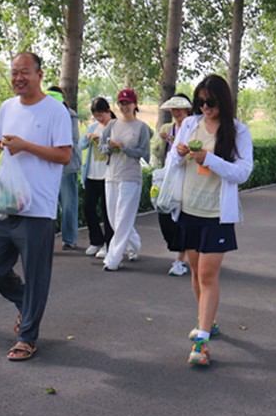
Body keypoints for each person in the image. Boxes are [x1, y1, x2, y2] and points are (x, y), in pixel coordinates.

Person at [0, 52, 72, 361]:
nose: (18, 78)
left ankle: (27, 337)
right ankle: (26, 303)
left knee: (36, 275)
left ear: (39, 75)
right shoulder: (7, 107)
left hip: (38, 209)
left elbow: (64, 156)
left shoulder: (55, 111)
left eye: (25, 72)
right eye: (14, 72)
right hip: (5, 203)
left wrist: (26, 146)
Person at [166, 75, 253, 367]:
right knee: (195, 271)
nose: (205, 107)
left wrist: (210, 159)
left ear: (223, 101)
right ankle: (208, 320)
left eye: (211, 102)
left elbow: (243, 172)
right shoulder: (190, 124)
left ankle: (201, 342)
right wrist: (179, 154)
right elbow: (172, 162)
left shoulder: (238, 131)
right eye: (200, 102)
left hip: (217, 214)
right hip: (190, 208)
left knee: (207, 274)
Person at [100, 88, 152, 271]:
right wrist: (110, 146)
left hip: (130, 176)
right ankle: (134, 244)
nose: (124, 107)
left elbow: (145, 153)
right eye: (121, 103)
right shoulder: (112, 125)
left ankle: (113, 259)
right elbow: (102, 148)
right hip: (111, 175)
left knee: (123, 219)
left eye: (127, 103)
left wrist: (125, 149)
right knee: (114, 219)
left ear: (135, 105)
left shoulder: (142, 127)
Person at [154, 93, 194, 276]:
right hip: (169, 175)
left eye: (180, 109)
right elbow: (156, 152)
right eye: (173, 109)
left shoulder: (194, 127)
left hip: (187, 176)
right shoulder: (168, 128)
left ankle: (180, 259)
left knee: (183, 217)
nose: (176, 112)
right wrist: (163, 140)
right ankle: (180, 249)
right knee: (165, 212)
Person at [47, 86, 82, 251]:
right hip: (49, 166)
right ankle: (46, 240)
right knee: (48, 205)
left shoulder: (69, 115)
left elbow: (71, 140)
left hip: (67, 166)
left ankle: (69, 239)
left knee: (68, 204)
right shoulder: (46, 114)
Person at [80, 97, 115, 257]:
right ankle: (96, 240)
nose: (99, 119)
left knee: (108, 212)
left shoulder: (115, 126)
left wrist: (103, 141)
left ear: (108, 111)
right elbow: (80, 145)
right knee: (88, 207)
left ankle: (109, 244)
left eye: (101, 115)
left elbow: (117, 147)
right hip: (92, 174)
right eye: (96, 116)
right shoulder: (94, 127)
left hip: (108, 175)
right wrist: (88, 137)